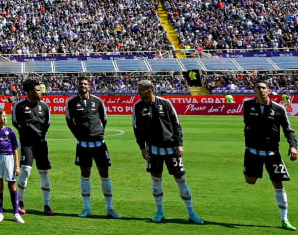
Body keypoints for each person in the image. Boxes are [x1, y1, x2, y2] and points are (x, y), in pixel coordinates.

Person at [132, 80, 203, 224]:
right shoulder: (138, 106)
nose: (138, 92)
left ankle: (191, 212)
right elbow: (136, 129)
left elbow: (176, 124)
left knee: (181, 178)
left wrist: (179, 144)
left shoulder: (165, 103)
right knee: (156, 179)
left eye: (141, 89)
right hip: (153, 149)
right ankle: (159, 212)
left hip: (171, 148)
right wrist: (142, 147)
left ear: (150, 90)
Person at [242, 81, 298, 230]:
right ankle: (251, 170)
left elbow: (288, 129)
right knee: (250, 181)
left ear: (268, 90)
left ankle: (284, 219)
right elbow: (247, 125)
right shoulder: (248, 106)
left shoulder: (279, 109)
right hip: (252, 152)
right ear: (254, 90)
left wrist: (293, 146)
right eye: (258, 88)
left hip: (272, 153)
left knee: (278, 184)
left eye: (263, 88)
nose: (261, 90)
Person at [66, 77, 120, 218]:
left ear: (89, 86)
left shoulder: (97, 101)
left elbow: (104, 118)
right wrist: (78, 135)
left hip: (99, 144)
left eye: (85, 84)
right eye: (80, 84)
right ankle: (86, 208)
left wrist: (99, 132)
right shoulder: (71, 102)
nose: (83, 86)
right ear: (77, 86)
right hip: (83, 145)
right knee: (85, 176)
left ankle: (110, 208)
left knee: (105, 176)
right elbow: (69, 121)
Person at [12, 79, 53, 216]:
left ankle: (47, 205)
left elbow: (47, 122)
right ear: (30, 92)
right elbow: (16, 122)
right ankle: (20, 202)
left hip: (41, 143)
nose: (40, 92)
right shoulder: (19, 106)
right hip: (27, 143)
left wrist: (41, 134)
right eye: (37, 90)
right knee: (26, 170)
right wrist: (30, 131)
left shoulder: (44, 106)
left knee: (44, 172)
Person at [0, 109, 24, 224]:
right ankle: (0, 212)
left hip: (9, 159)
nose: (4, 118)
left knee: (12, 186)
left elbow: (15, 150)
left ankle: (16, 213)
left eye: (5, 116)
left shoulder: (10, 131)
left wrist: (17, 166)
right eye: (2, 116)